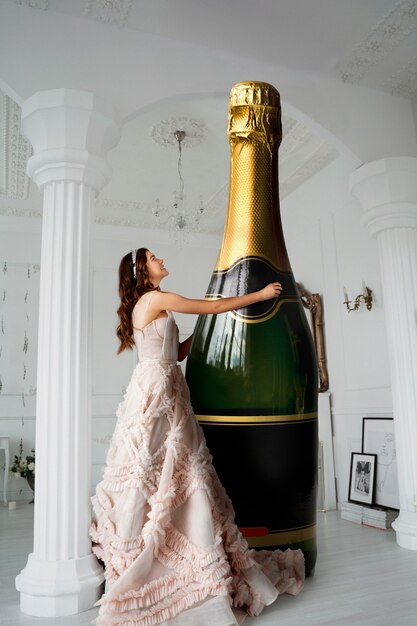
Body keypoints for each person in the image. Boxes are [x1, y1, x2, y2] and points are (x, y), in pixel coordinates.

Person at [90, 248, 305, 626]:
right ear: (143, 270)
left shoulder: (153, 303)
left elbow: (177, 351)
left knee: (175, 471)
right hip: (158, 392)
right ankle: (149, 556)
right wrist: (257, 296)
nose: (162, 259)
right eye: (154, 258)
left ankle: (179, 539)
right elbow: (207, 307)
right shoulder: (156, 297)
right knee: (153, 471)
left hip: (167, 385)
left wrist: (202, 334)